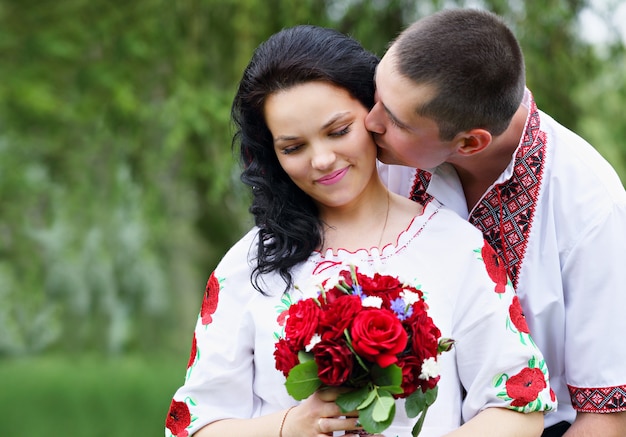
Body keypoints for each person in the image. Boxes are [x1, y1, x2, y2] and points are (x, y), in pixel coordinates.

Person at [165, 25, 556, 437]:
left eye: (338, 131)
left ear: (374, 115)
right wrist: (290, 427)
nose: (321, 160)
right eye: (293, 147)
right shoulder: (250, 267)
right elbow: (192, 426)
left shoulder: (457, 249)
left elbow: (519, 406)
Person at [365, 8, 626, 437]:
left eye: (394, 121)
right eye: (375, 95)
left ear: (470, 142)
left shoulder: (591, 208)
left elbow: (605, 420)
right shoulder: (385, 152)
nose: (369, 122)